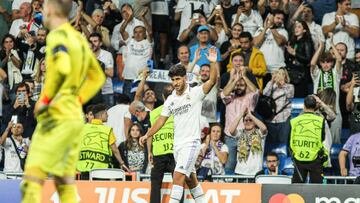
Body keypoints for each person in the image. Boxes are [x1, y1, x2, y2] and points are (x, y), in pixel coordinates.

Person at [21, 0, 106, 202]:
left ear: (50, 9)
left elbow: (62, 68)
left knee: (32, 176)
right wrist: (76, 99)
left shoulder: (57, 36)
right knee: (64, 182)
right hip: (73, 116)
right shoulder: (77, 38)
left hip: (56, 114)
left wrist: (46, 100)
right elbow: (97, 77)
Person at [139, 48, 218, 203]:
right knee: (191, 180)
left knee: (178, 176)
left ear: (184, 78)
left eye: (177, 79)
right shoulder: (171, 100)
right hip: (177, 146)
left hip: (191, 144)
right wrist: (147, 135)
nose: (175, 83)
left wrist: (213, 63)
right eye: (173, 80)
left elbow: (212, 81)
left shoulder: (195, 93)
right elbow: (160, 121)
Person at [221, 60, 258, 174]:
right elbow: (224, 93)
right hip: (230, 136)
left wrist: (244, 77)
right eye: (237, 85)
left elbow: (255, 91)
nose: (239, 87)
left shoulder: (250, 98)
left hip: (246, 137)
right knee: (229, 165)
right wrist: (235, 79)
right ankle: (229, 186)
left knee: (245, 165)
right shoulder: (229, 98)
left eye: (242, 85)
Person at [76, 104, 129, 179]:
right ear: (102, 114)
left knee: (87, 190)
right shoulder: (107, 130)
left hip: (84, 168)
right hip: (101, 169)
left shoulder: (82, 128)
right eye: (106, 113)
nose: (108, 115)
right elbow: (115, 149)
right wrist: (122, 163)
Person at [149, 84, 177, 203]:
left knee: (155, 184)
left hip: (158, 151)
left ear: (162, 96)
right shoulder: (178, 111)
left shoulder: (153, 113)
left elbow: (151, 132)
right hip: (174, 151)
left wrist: (149, 151)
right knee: (178, 183)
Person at [290, 95, 327, 183]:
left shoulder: (294, 121)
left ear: (304, 106)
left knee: (297, 190)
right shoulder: (321, 120)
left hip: (299, 158)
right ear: (315, 106)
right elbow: (322, 138)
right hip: (315, 158)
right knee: (316, 189)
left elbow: (290, 140)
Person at [228, 107, 268, 176]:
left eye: (250, 120)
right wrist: (241, 114)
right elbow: (231, 130)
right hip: (240, 171)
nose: (248, 122)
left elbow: (264, 128)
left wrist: (251, 115)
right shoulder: (240, 133)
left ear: (255, 122)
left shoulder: (260, 133)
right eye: (245, 120)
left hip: (256, 172)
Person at [253, 10, 288, 85]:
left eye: (282, 19)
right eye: (278, 18)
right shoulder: (261, 30)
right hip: (262, 69)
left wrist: (271, 27)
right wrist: (265, 29)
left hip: (277, 70)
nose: (280, 21)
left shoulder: (283, 31)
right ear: (271, 18)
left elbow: (280, 42)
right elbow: (255, 43)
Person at [263, 68, 294, 146]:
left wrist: (283, 85)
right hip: (270, 119)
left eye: (282, 74)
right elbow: (265, 94)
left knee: (283, 143)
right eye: (278, 74)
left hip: (283, 119)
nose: (280, 76)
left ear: (285, 76)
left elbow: (289, 96)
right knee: (270, 145)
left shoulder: (290, 86)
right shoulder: (271, 85)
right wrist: (271, 81)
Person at [285, 20, 314, 98]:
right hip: (291, 74)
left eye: (299, 27)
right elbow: (287, 59)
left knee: (299, 98)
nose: (296, 29)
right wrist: (288, 53)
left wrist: (295, 54)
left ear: (304, 30)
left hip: (301, 76)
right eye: (295, 27)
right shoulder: (292, 42)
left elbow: (308, 59)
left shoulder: (307, 42)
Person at [88, 32, 115, 107]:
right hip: (90, 92)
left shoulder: (107, 55)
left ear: (100, 43)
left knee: (108, 115)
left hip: (106, 91)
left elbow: (111, 73)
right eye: (91, 42)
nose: (93, 44)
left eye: (95, 41)